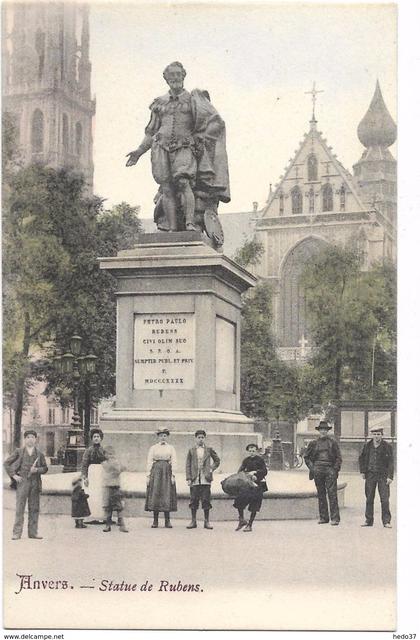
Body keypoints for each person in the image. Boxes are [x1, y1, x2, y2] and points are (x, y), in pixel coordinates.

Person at [126, 61, 230, 233]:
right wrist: (139, 151)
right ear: (166, 78)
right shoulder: (159, 103)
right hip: (160, 148)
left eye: (178, 74)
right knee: (166, 187)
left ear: (183, 76)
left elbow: (216, 122)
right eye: (171, 75)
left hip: (185, 146)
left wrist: (201, 137)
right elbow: (151, 131)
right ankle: (172, 228)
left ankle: (189, 223)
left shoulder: (194, 99)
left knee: (183, 182)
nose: (175, 78)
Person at [4, 429, 48, 540]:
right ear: (25, 439)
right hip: (22, 482)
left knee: (34, 508)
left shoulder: (39, 454)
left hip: (35, 483)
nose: (30, 439)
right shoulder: (19, 452)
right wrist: (14, 476)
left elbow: (45, 468)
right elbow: (6, 463)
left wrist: (37, 470)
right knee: (20, 508)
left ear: (35, 439)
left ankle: (33, 533)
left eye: (32, 437)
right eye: (28, 437)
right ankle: (16, 533)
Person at [304, 420, 342, 526]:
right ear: (319, 431)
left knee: (332, 494)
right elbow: (306, 457)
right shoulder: (313, 443)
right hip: (318, 470)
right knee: (321, 494)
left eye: (325, 430)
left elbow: (339, 458)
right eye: (321, 430)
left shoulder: (333, 442)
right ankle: (323, 517)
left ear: (327, 431)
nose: (323, 432)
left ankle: (335, 518)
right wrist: (313, 468)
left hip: (330, 469)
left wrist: (334, 470)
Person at [359, 426, 394, 528]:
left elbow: (391, 462)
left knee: (385, 499)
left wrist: (390, 476)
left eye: (378, 434)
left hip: (383, 476)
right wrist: (362, 471)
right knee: (369, 498)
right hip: (370, 475)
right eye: (374, 434)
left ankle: (386, 521)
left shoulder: (387, 446)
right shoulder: (367, 445)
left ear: (382, 435)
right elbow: (361, 458)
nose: (376, 436)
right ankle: (368, 520)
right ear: (372, 435)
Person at [185, 429, 220, 530]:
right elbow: (188, 465)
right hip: (195, 478)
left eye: (202, 437)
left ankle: (206, 521)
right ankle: (193, 521)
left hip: (205, 479)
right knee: (193, 499)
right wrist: (188, 478)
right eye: (199, 437)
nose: (200, 439)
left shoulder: (209, 449)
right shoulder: (191, 450)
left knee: (206, 499)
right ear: (195, 438)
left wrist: (211, 468)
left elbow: (217, 460)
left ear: (205, 438)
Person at [145, 428, 177, 528]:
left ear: (167, 437)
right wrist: (148, 475)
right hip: (156, 472)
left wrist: (173, 475)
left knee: (166, 494)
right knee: (156, 494)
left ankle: (167, 520)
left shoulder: (171, 448)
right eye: (161, 435)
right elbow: (149, 461)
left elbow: (174, 461)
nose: (163, 437)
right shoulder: (153, 448)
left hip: (167, 472)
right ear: (158, 436)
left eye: (164, 435)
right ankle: (155, 520)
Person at [233, 443, 268, 532]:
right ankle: (241, 520)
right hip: (247, 484)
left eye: (253, 451)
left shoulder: (260, 460)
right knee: (239, 500)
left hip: (258, 484)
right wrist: (245, 475)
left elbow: (264, 471)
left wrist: (256, 474)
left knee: (254, 505)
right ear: (248, 451)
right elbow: (240, 471)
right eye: (250, 451)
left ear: (256, 451)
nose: (252, 452)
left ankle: (250, 524)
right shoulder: (246, 460)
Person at [81, 428, 106, 523]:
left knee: (100, 494)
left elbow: (107, 463)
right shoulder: (88, 451)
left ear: (101, 438)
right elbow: (84, 464)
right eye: (94, 437)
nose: (96, 438)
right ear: (92, 438)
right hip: (91, 473)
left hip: (101, 473)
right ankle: (91, 516)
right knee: (91, 493)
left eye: (98, 437)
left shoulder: (104, 450)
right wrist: (85, 477)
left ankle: (101, 517)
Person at [101, 445, 128, 533]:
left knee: (119, 507)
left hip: (116, 487)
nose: (111, 456)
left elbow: (121, 469)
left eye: (112, 454)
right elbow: (113, 470)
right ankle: (107, 525)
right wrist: (119, 467)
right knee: (108, 508)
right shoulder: (105, 463)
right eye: (108, 454)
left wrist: (120, 467)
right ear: (105, 455)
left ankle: (122, 525)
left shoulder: (116, 462)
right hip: (107, 487)